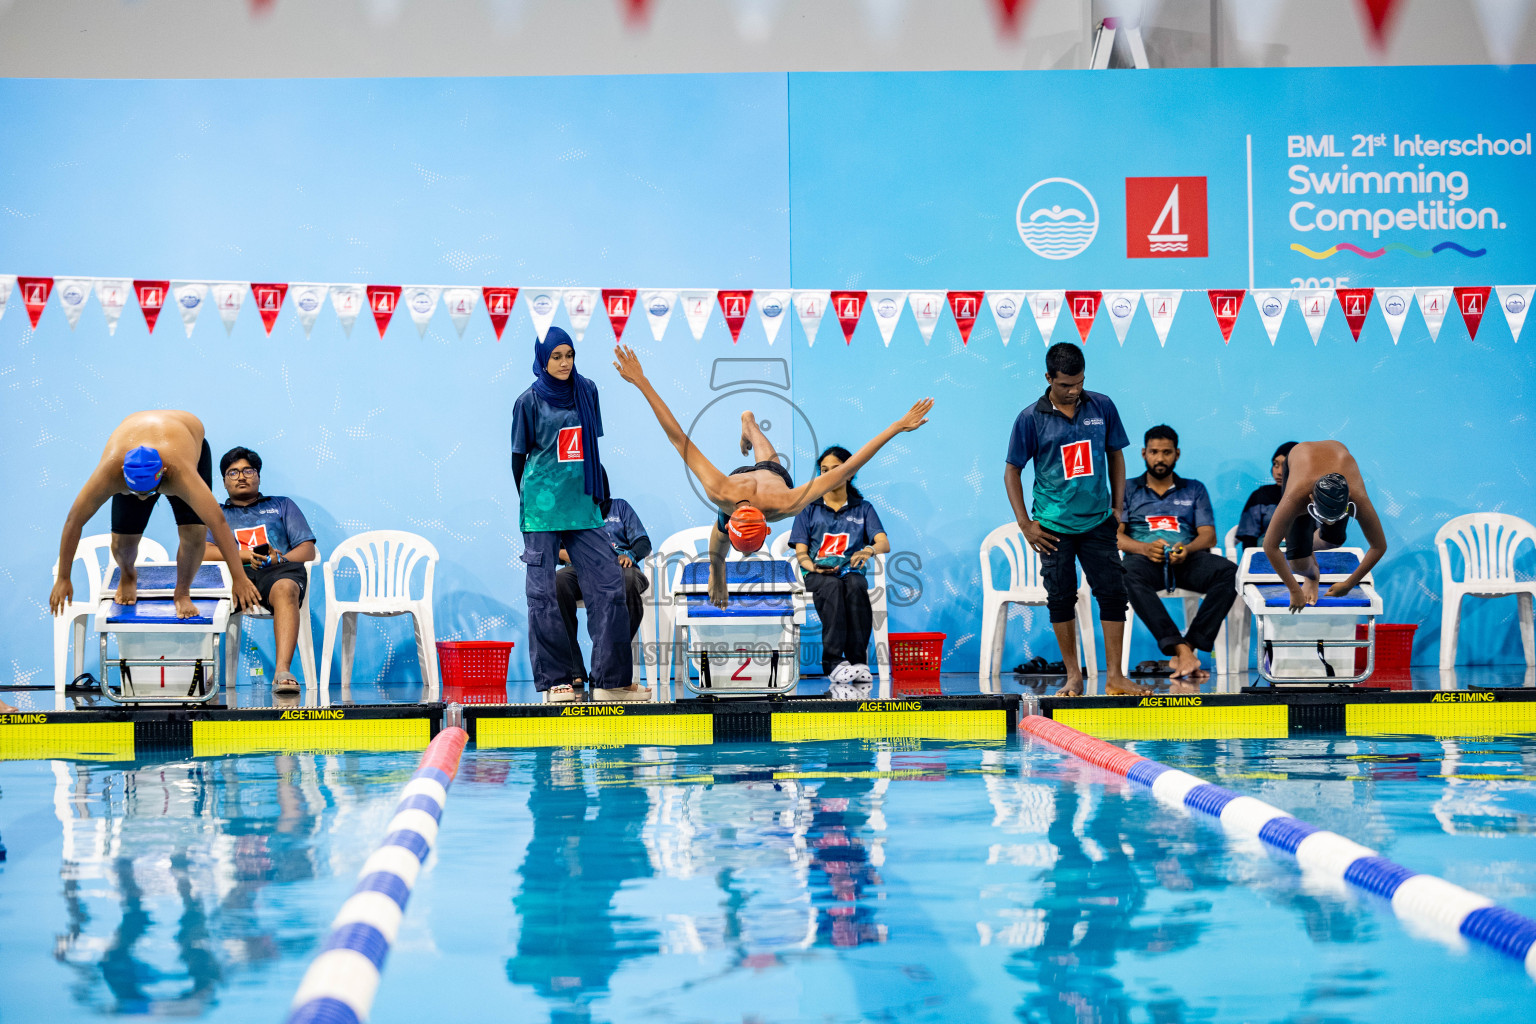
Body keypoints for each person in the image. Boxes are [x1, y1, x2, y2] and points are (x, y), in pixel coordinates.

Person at [612, 343, 932, 609]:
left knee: (766, 471)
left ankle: (749, 428)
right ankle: (749, 426)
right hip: (763, 480)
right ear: (766, 528)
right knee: (768, 467)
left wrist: (896, 427)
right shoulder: (786, 502)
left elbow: (677, 436)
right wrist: (895, 428)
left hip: (748, 483)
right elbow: (848, 469)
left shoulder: (732, 494)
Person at [1004, 342, 1146, 697]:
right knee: (1061, 598)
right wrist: (1026, 524)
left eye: (1079, 382)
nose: (1074, 390)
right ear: (1049, 378)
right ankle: (1073, 677)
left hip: (1098, 520)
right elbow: (1012, 472)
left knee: (1113, 595)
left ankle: (1115, 677)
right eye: (1065, 384)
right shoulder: (1029, 419)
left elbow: (1115, 455)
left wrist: (1117, 507)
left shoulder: (1103, 406)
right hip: (1052, 526)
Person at [513, 327, 642, 703]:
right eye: (556, 356)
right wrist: (535, 499)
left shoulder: (588, 391)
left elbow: (590, 449)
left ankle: (610, 680)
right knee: (543, 596)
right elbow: (518, 460)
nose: (564, 363)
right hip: (541, 510)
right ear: (543, 359)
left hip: (584, 506)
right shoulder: (528, 402)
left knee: (609, 588)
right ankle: (559, 680)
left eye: (569, 355)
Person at [48, 410, 260, 621]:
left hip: (183, 446)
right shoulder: (110, 470)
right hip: (137, 450)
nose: (142, 499)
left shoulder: (181, 472)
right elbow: (74, 521)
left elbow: (218, 522)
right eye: (136, 493)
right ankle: (128, 574)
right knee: (123, 543)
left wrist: (239, 577)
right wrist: (64, 577)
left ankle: (182, 592)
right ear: (123, 471)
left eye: (149, 493)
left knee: (195, 533)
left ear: (164, 472)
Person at [1118, 425, 1238, 682]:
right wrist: (1143, 548)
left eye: (1166, 452)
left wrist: (1187, 549)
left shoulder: (1194, 489)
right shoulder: (1127, 489)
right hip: (1145, 561)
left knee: (1229, 572)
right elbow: (1115, 535)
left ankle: (1188, 648)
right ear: (1143, 453)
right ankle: (1182, 650)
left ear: (1177, 454)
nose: (1160, 458)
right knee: (1125, 573)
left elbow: (1208, 536)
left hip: (1186, 560)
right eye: (1154, 452)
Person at [201, 447, 317, 696]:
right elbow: (201, 551)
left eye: (247, 470)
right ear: (223, 481)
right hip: (232, 578)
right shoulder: (215, 514)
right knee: (194, 586)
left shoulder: (281, 506)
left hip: (277, 573)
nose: (241, 476)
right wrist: (241, 555)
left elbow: (308, 550)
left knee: (286, 588)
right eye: (233, 473)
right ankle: (199, 674)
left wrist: (280, 558)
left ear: (258, 476)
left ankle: (282, 671)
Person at [789, 446, 890, 699]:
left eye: (836, 469)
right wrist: (813, 566)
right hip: (817, 574)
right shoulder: (808, 508)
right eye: (824, 471)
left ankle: (858, 663)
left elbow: (883, 543)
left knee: (855, 586)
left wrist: (867, 550)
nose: (830, 475)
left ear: (849, 473)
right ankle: (833, 664)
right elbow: (801, 552)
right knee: (832, 587)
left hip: (849, 572)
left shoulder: (862, 508)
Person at [1261, 440, 1388, 613]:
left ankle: (1306, 548)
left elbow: (1379, 547)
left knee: (1333, 541)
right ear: (1311, 500)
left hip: (1338, 455)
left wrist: (1349, 584)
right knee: (1297, 564)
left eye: (1336, 517)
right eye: (1323, 517)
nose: (1329, 523)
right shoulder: (1296, 496)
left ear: (1347, 500)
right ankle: (1312, 576)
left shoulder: (1357, 497)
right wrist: (1294, 589)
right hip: (1300, 457)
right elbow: (1270, 546)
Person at [554, 469, 652, 689]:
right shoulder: (572, 513)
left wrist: (630, 555)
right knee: (558, 583)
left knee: (626, 583)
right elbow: (556, 550)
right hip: (582, 570)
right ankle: (573, 671)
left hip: (620, 568)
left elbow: (643, 542)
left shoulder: (621, 507)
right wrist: (572, 555)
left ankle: (610, 670)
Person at [1234, 441, 1298, 552]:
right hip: (1267, 560)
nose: (1278, 472)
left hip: (1307, 558)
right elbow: (1249, 539)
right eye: (1275, 464)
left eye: (1284, 465)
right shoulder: (1260, 496)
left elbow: (1323, 535)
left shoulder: (1312, 496)